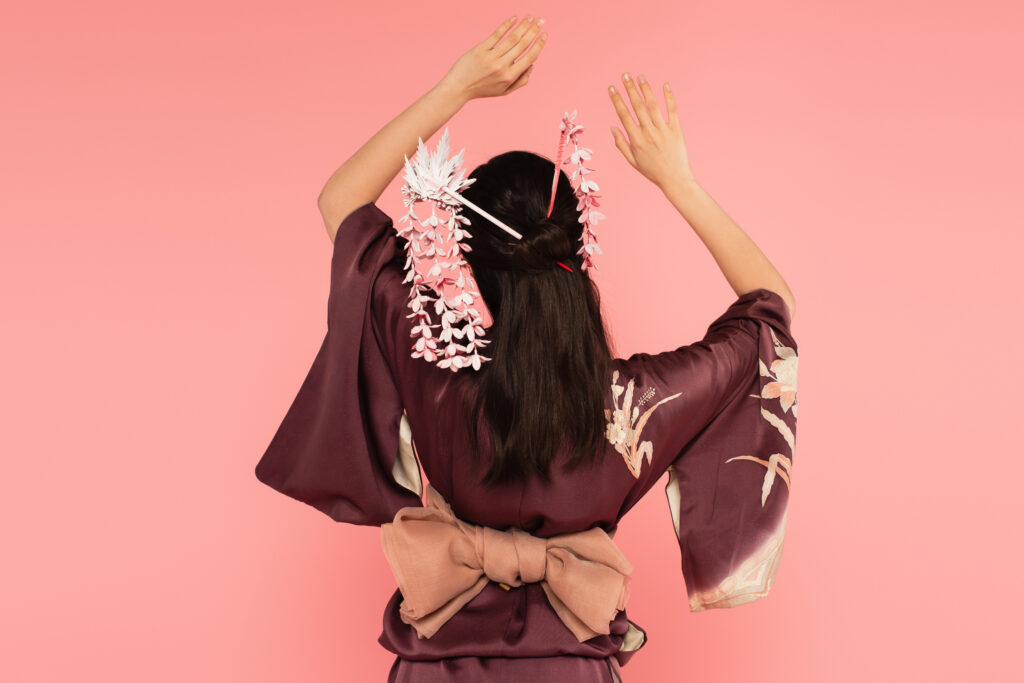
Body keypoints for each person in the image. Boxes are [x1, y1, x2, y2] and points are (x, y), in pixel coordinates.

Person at [255, 13, 799, 683]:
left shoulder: (434, 365)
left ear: (468, 259)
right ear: (578, 250)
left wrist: (456, 87)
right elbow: (772, 308)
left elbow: (341, 200)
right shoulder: (634, 404)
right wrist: (677, 180)